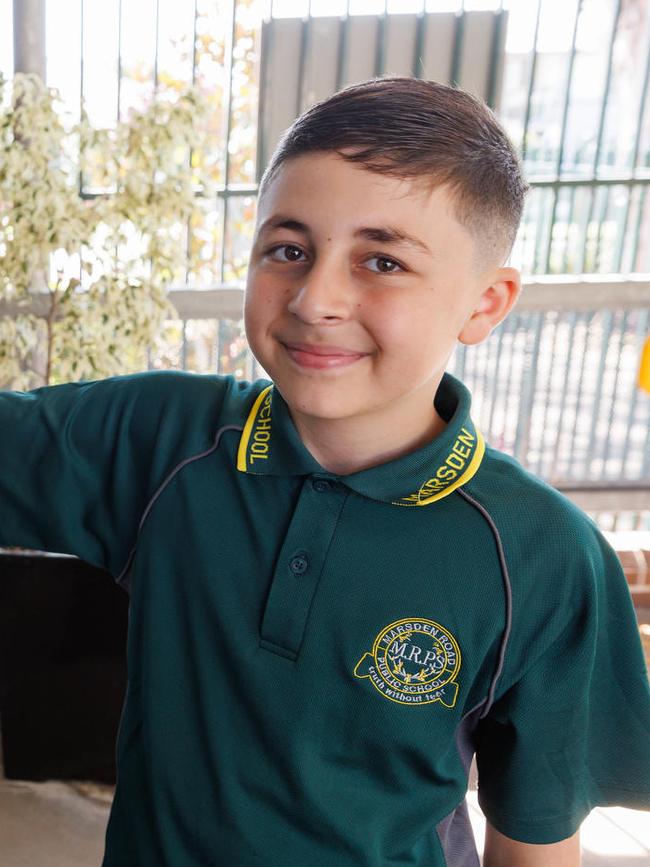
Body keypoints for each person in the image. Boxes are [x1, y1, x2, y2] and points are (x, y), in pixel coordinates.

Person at [1, 76, 649, 867]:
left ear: (485, 302)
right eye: (289, 249)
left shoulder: (545, 554)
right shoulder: (161, 441)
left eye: (381, 259)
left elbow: (536, 838)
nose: (314, 298)